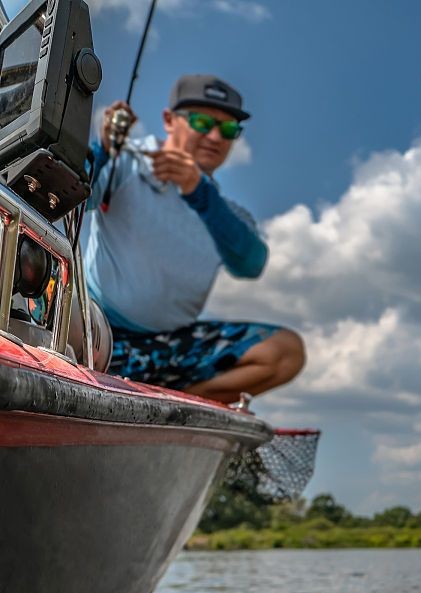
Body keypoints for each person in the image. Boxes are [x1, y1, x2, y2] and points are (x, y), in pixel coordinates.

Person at [85, 74, 304, 403]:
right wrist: (101, 150)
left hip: (174, 348)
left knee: (286, 352)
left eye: (229, 129)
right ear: (169, 121)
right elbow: (69, 196)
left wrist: (198, 191)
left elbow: (250, 263)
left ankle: (176, 405)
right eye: (203, 122)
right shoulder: (125, 163)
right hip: (98, 329)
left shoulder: (228, 212)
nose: (216, 136)